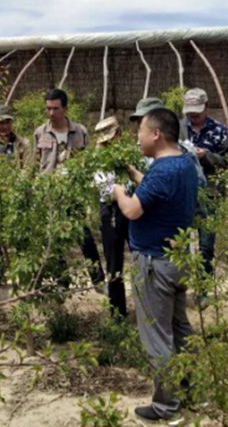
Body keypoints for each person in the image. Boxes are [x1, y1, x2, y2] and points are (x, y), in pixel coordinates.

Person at [112, 107, 199, 423]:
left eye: (141, 132)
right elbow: (158, 189)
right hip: (176, 259)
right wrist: (136, 175)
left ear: (156, 134)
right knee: (179, 329)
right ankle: (191, 390)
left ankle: (166, 407)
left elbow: (133, 210)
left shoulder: (163, 171)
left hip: (153, 262)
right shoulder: (183, 163)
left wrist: (117, 191)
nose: (138, 137)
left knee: (157, 335)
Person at [34, 88, 105, 287]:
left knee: (84, 236)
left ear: (65, 108)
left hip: (73, 194)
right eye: (48, 108)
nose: (51, 113)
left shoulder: (79, 131)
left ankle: (98, 279)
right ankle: (62, 281)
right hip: (49, 194)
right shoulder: (40, 133)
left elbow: (88, 162)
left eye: (55, 108)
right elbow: (36, 163)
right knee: (53, 239)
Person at [182, 88, 228, 290]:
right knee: (180, 242)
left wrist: (206, 156)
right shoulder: (178, 129)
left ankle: (203, 288)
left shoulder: (219, 132)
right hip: (183, 194)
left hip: (209, 196)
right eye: (190, 111)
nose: (193, 116)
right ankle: (181, 287)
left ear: (207, 107)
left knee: (206, 244)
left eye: (197, 111)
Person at [0, 104, 34, 290]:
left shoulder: (24, 144)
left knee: (21, 238)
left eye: (8, 122)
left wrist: (15, 188)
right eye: (1, 122)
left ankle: (24, 274)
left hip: (18, 196)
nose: (5, 126)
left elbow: (28, 169)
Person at [93, 116, 130, 318]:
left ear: (119, 135)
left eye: (111, 138)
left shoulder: (131, 155)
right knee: (114, 265)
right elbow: (106, 190)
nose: (108, 143)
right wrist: (121, 191)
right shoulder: (98, 159)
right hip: (111, 210)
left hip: (134, 210)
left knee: (142, 258)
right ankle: (118, 315)